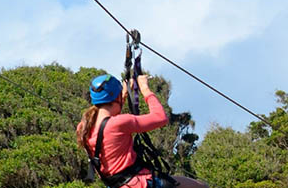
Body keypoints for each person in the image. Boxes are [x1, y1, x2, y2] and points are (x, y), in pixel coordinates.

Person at [76, 74, 209, 187]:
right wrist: (145, 88)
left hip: (118, 184)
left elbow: (108, 122)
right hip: (139, 183)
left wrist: (122, 94)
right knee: (201, 186)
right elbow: (160, 117)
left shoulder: (84, 126)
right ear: (115, 98)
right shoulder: (120, 123)